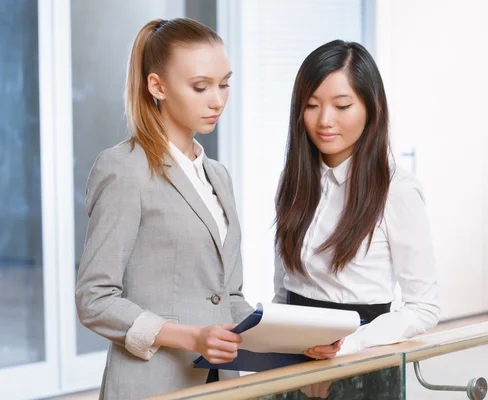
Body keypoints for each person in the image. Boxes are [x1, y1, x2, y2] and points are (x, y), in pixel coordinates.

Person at [75, 18, 253, 400]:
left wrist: (292, 342)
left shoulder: (218, 176)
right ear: (157, 86)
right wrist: (192, 337)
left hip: (221, 385)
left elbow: (230, 297)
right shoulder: (124, 168)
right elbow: (94, 299)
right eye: (200, 86)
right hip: (152, 385)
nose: (217, 100)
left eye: (224, 84)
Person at [272, 40, 440, 399]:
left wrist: (351, 343)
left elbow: (424, 307)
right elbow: (282, 288)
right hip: (292, 363)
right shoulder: (295, 181)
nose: (324, 120)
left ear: (371, 107)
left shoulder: (397, 189)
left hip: (360, 365)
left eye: (342, 105)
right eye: (311, 106)